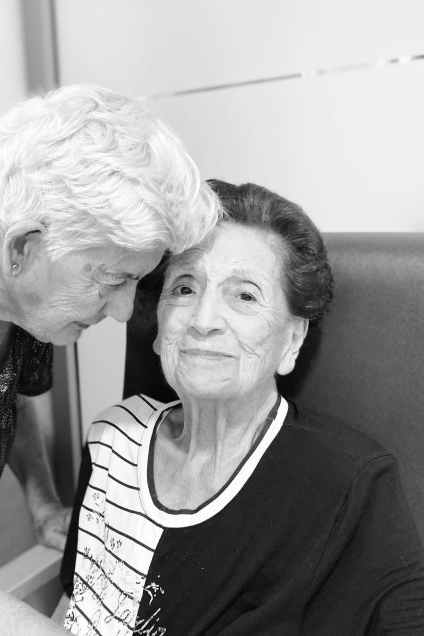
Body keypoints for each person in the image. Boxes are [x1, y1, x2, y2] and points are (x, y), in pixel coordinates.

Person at [0, 84, 220, 635]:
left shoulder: (7, 259)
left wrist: (42, 499)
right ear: (21, 248)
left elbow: (2, 390)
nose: (125, 311)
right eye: (112, 280)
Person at [58, 181, 424, 635]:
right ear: (158, 324)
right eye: (185, 289)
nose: (204, 321)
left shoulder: (349, 483)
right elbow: (72, 602)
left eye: (245, 295)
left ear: (292, 340)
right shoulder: (112, 436)